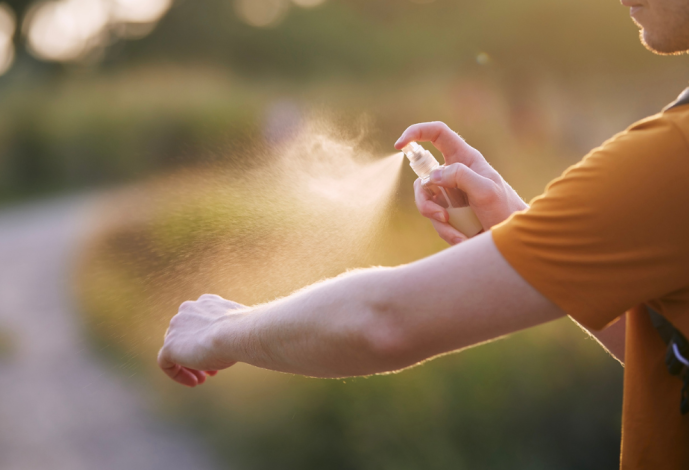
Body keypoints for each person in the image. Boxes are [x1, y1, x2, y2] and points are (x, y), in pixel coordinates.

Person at [158, 0, 689, 467]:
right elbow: (660, 345)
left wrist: (222, 328)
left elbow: (384, 321)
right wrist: (514, 226)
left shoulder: (671, 158)